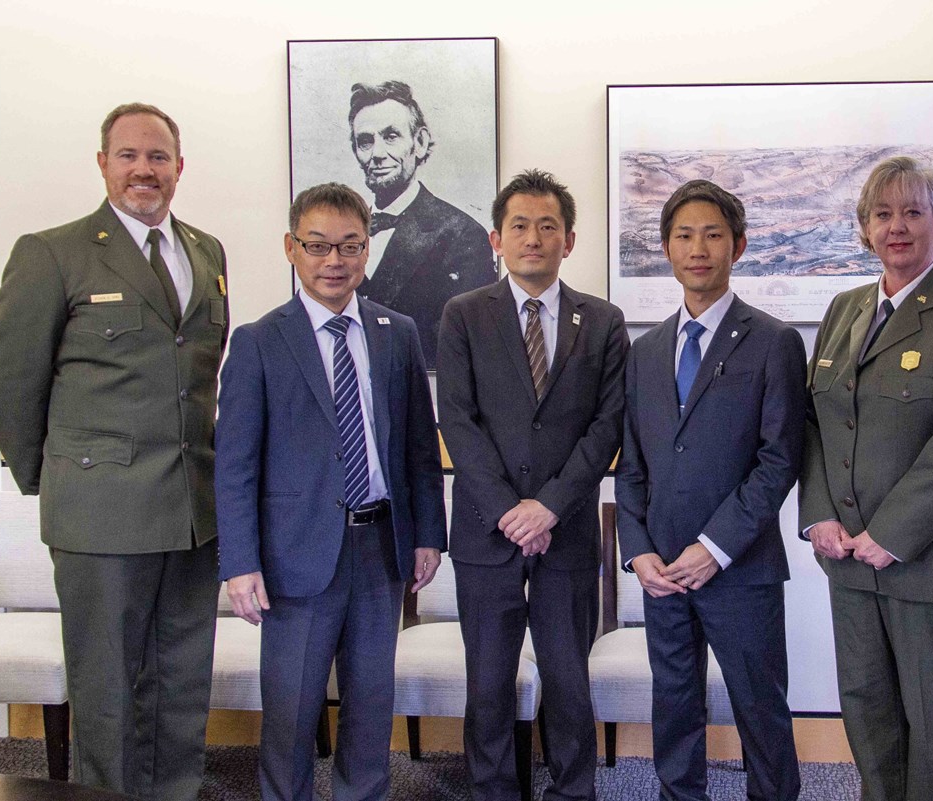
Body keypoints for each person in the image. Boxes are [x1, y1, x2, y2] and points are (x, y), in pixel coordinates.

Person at [0, 102, 228, 801]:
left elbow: (199, 373)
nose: (144, 169)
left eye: (158, 156)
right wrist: (52, 478)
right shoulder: (53, 251)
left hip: (191, 511)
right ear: (103, 164)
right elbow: (9, 377)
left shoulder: (206, 251)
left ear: (180, 166)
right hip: (100, 514)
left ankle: (175, 790)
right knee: (109, 685)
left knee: (181, 676)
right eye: (128, 155)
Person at [214, 183, 446, 801]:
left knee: (371, 709)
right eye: (318, 246)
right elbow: (234, 464)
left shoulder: (397, 332)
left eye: (349, 246)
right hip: (295, 556)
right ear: (292, 248)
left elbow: (420, 448)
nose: (334, 261)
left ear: (366, 251)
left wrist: (428, 536)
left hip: (381, 550)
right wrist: (239, 563)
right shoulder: (260, 341)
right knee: (290, 712)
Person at [799, 156, 933, 801]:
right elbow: (816, 422)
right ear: (865, 229)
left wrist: (892, 533)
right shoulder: (843, 310)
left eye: (913, 212)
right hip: (851, 562)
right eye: (882, 214)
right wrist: (820, 516)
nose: (897, 227)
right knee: (871, 724)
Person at [436, 169, 627, 801]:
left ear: (569, 240)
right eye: (519, 225)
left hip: (566, 528)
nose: (534, 238)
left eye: (549, 226)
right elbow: (457, 420)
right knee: (488, 683)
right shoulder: (463, 315)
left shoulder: (601, 321)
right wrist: (508, 511)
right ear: (496, 238)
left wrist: (547, 506)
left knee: (569, 681)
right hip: (486, 533)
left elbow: (606, 427)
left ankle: (574, 791)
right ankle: (495, 791)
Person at [615, 179, 806, 801]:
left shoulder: (774, 342)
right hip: (662, 571)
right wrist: (638, 550)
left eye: (713, 235)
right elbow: (634, 465)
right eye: (684, 235)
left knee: (761, 714)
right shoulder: (642, 352)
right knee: (674, 711)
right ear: (666, 249)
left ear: (739, 246)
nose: (698, 248)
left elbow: (778, 462)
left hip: (739, 567)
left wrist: (714, 547)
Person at [349, 80, 497, 367]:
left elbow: (463, 348)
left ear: (419, 142)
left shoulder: (462, 234)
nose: (377, 153)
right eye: (365, 141)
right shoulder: (343, 233)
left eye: (391, 136)